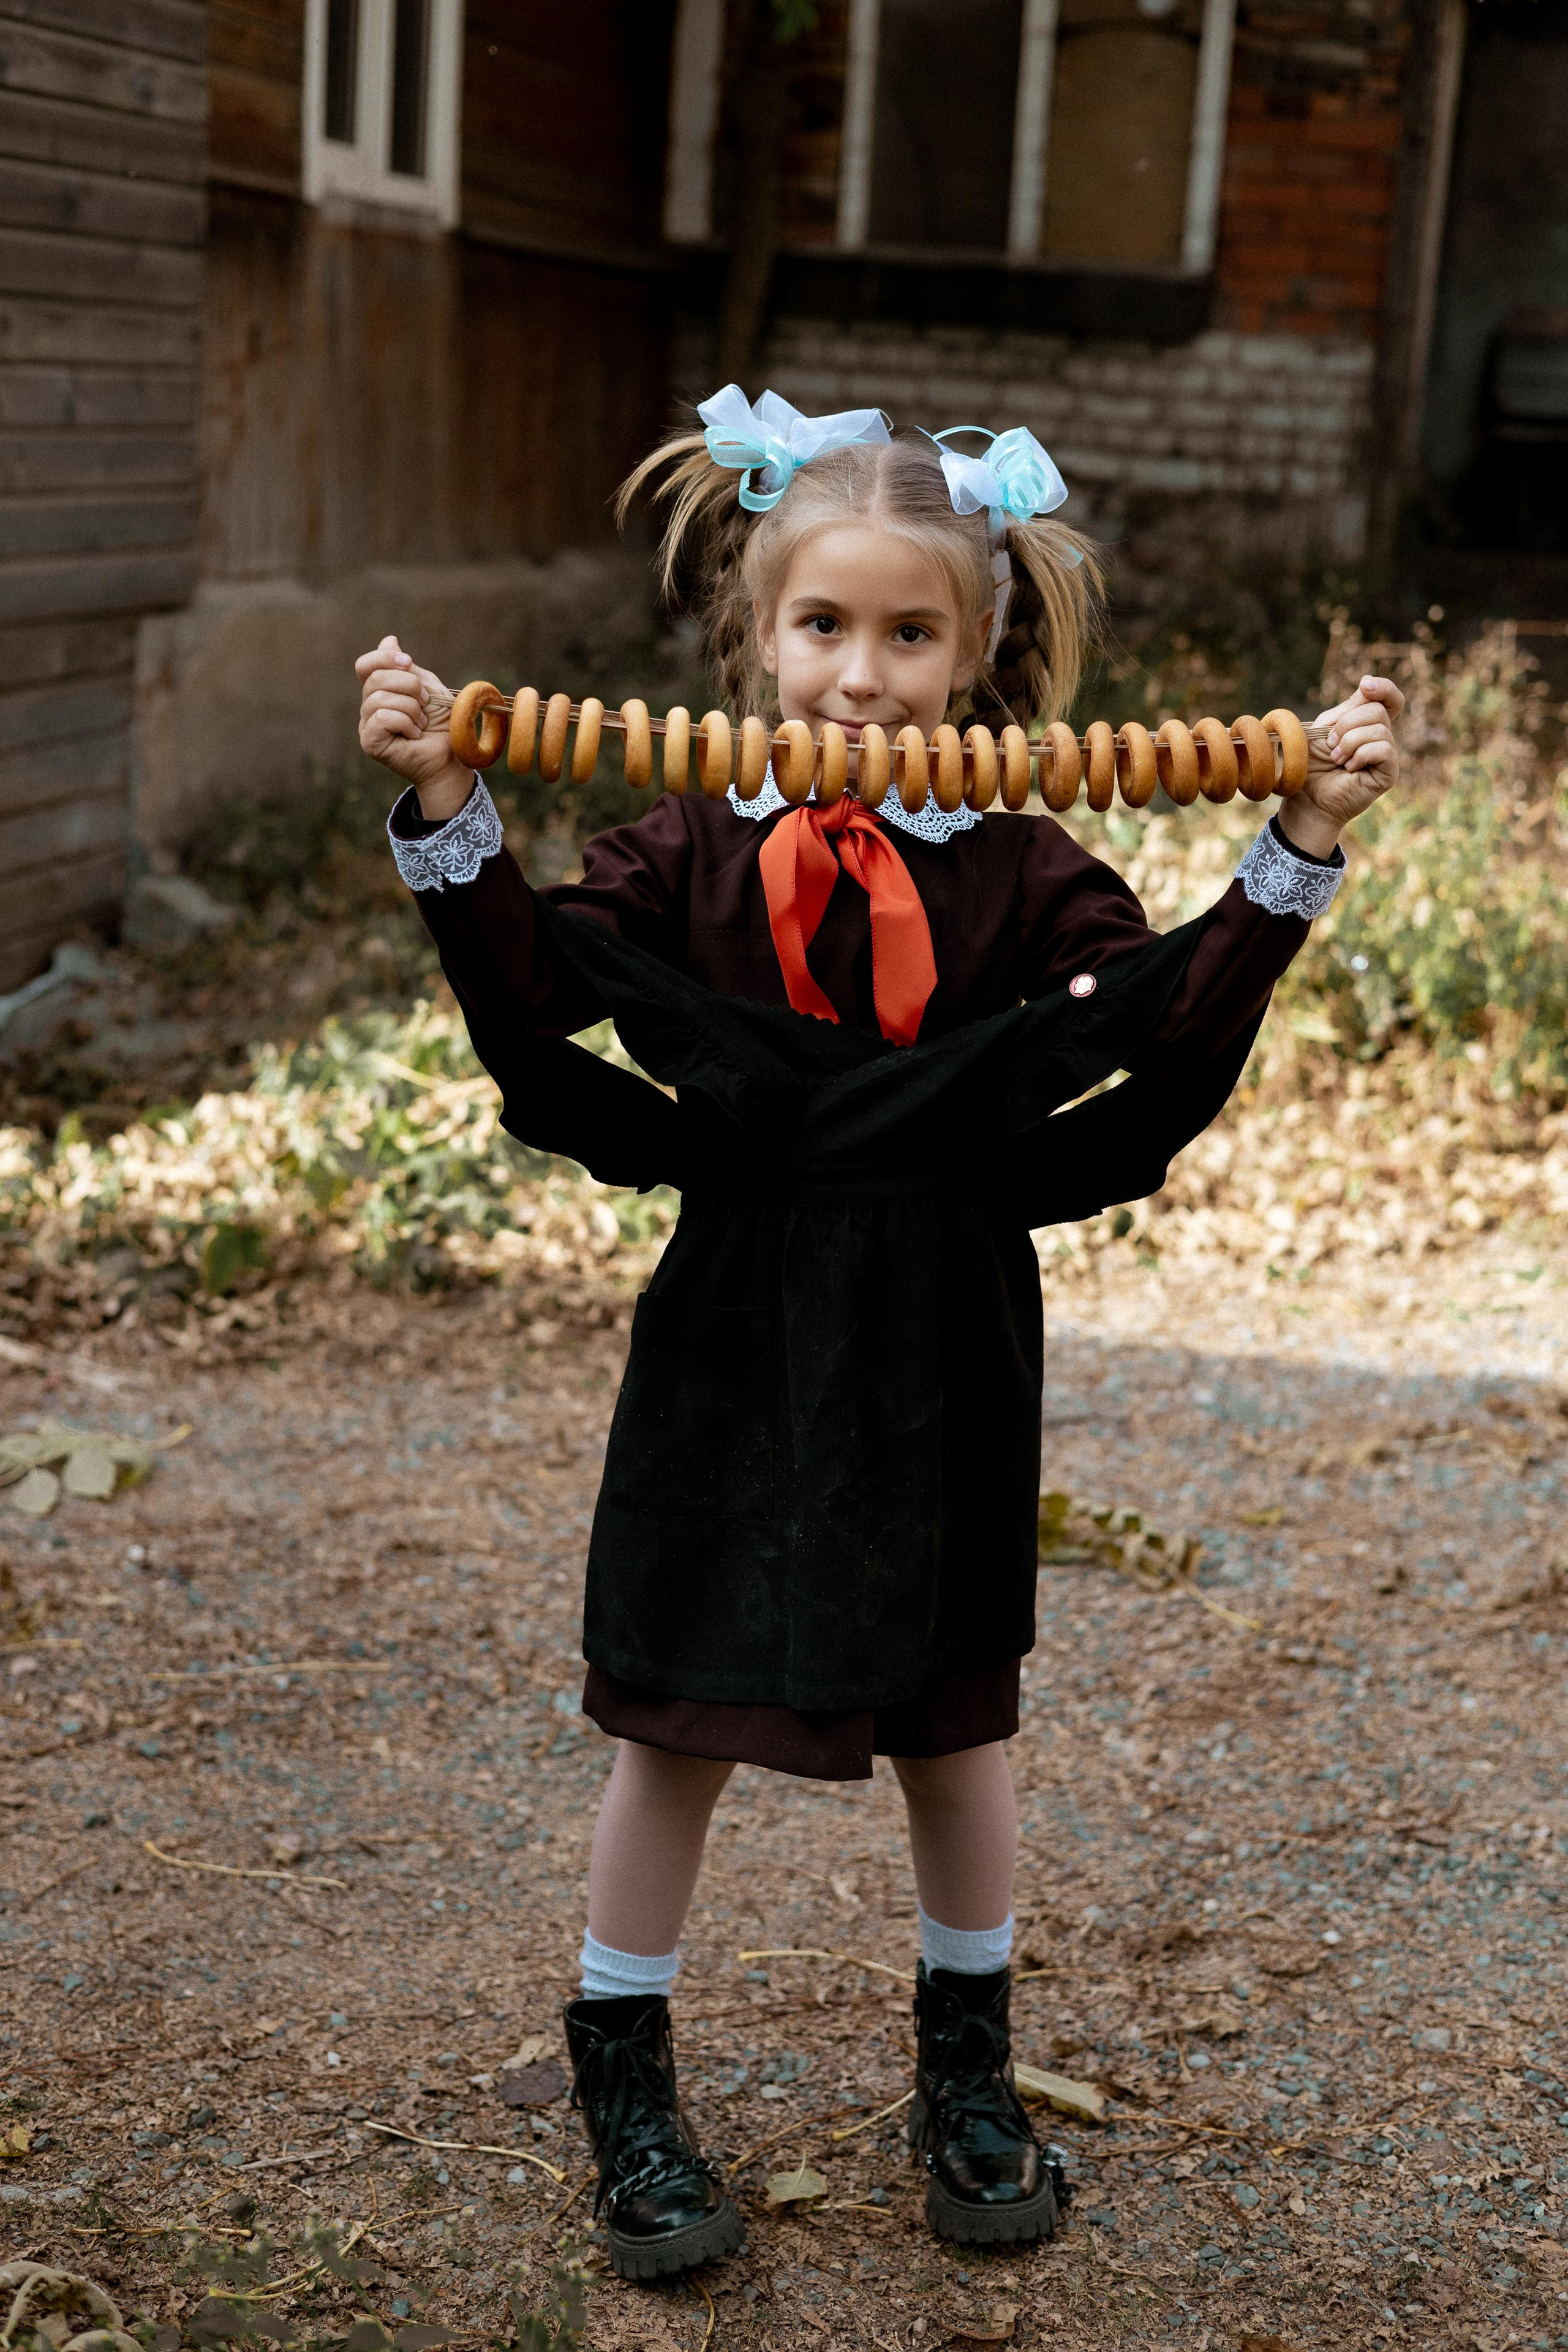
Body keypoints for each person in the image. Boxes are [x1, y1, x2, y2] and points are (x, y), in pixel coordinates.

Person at [356, 388, 1401, 2279]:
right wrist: (447, 802)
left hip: (943, 1320)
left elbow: (1160, 1036)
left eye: (910, 632)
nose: (861, 675)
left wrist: (1302, 836)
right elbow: (535, 997)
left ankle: (968, 2073)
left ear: (978, 649)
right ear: (758, 634)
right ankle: (625, 2080)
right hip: (737, 1314)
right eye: (823, 625)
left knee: (954, 1714)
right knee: (673, 1712)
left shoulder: (1026, 863)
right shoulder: (687, 844)